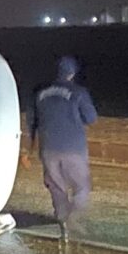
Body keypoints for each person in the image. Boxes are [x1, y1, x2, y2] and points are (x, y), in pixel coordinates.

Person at [29, 55, 98, 238]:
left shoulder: (41, 94)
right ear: (72, 73)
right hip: (73, 148)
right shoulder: (78, 92)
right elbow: (91, 118)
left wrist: (29, 148)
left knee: (56, 187)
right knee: (82, 186)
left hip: (48, 149)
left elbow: (32, 121)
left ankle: (63, 220)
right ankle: (73, 218)